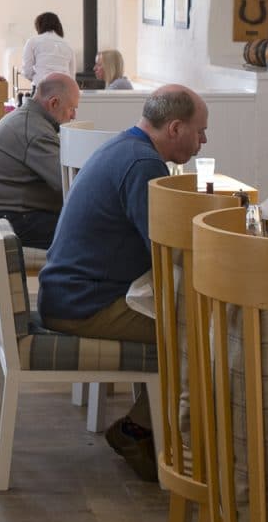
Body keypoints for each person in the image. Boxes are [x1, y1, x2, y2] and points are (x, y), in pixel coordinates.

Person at [37, 86, 208, 480]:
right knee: (205, 335)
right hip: (85, 305)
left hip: (71, 293)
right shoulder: (143, 165)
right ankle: (154, 437)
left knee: (195, 322)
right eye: (200, 132)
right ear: (176, 128)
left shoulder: (124, 147)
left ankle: (152, 430)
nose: (202, 142)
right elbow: (165, 252)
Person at [0, 73, 80, 248]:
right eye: (72, 108)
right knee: (92, 233)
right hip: (13, 222)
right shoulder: (34, 131)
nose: (73, 115)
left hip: (6, 216)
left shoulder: (29, 119)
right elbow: (68, 183)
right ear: (54, 103)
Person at [21, 12, 76, 88]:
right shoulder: (68, 45)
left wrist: (39, 78)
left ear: (39, 26)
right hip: (62, 90)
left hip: (41, 88)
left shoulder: (33, 42)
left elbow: (27, 71)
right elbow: (72, 76)